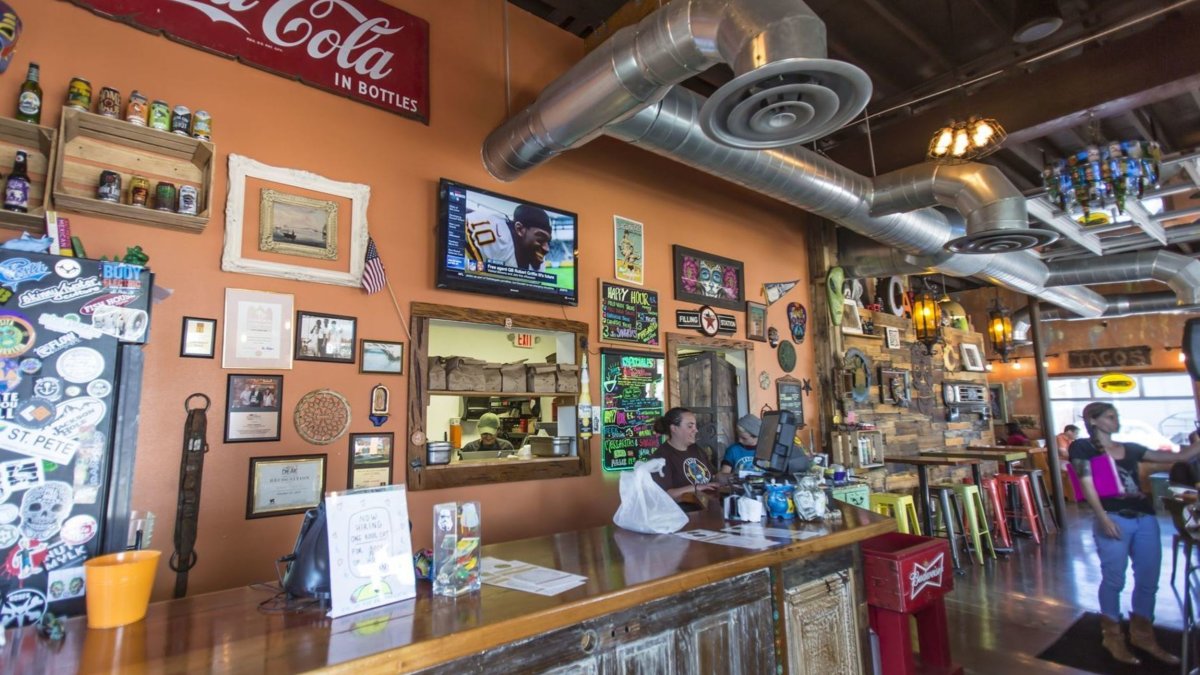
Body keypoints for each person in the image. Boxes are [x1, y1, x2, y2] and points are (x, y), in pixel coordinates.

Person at [1069, 402, 1200, 665]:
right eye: (1110, 416)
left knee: (1149, 579)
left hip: (1145, 517)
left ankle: (1143, 634)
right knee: (1114, 579)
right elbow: (1086, 482)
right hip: (1114, 517)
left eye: (1116, 415)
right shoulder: (1082, 447)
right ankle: (1112, 636)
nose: (1116, 419)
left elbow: (1180, 456)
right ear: (1093, 421)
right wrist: (1102, 516)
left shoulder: (1130, 448)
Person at [646, 407, 719, 502]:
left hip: (707, 506)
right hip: (684, 513)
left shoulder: (695, 449)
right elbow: (664, 494)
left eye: (695, 426)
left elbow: (713, 476)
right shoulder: (661, 457)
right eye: (690, 426)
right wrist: (697, 487)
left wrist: (732, 477)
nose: (696, 430)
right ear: (674, 428)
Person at [465, 203, 552, 271]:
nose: (546, 249)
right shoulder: (494, 237)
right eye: (540, 239)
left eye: (548, 242)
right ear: (520, 229)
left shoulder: (536, 256)